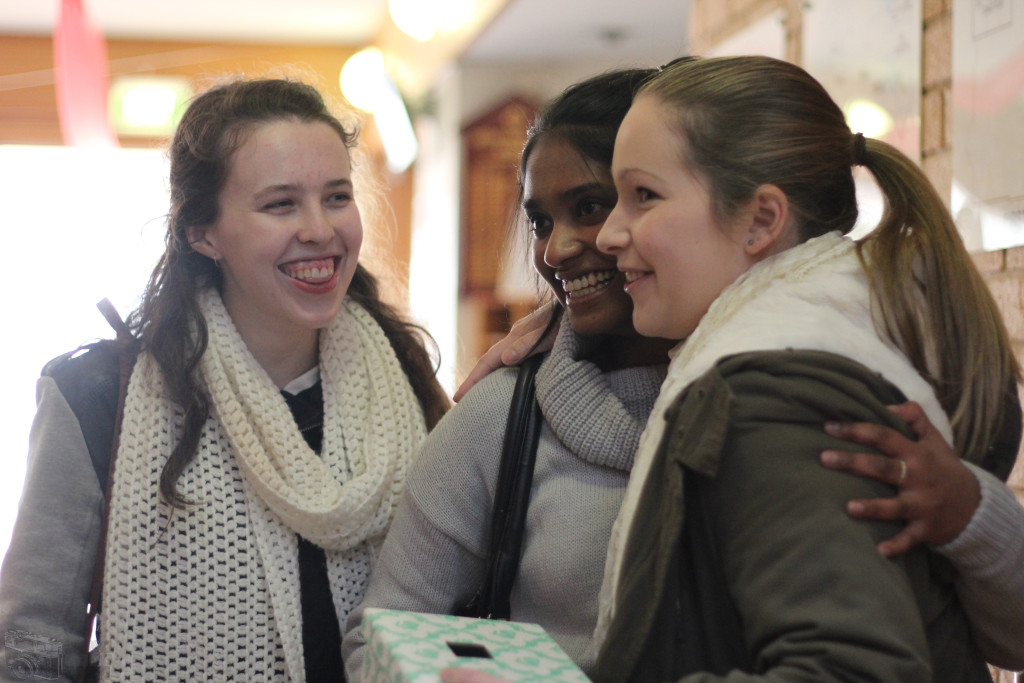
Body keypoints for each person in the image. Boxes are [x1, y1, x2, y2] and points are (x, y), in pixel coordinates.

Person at [343, 66, 1024, 683]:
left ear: (760, 218)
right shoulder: (522, 404)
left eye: (627, 198)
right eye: (542, 220)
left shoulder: (768, 395)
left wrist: (972, 512)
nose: (586, 239)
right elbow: (387, 632)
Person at [582, 55, 1022, 681]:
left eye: (643, 195)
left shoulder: (776, 397)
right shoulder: (819, 344)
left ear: (762, 220)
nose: (608, 234)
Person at [0, 78, 449, 683]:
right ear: (202, 233)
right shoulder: (99, 395)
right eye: (280, 204)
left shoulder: (404, 373)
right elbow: (32, 634)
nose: (320, 230)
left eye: (337, 197)